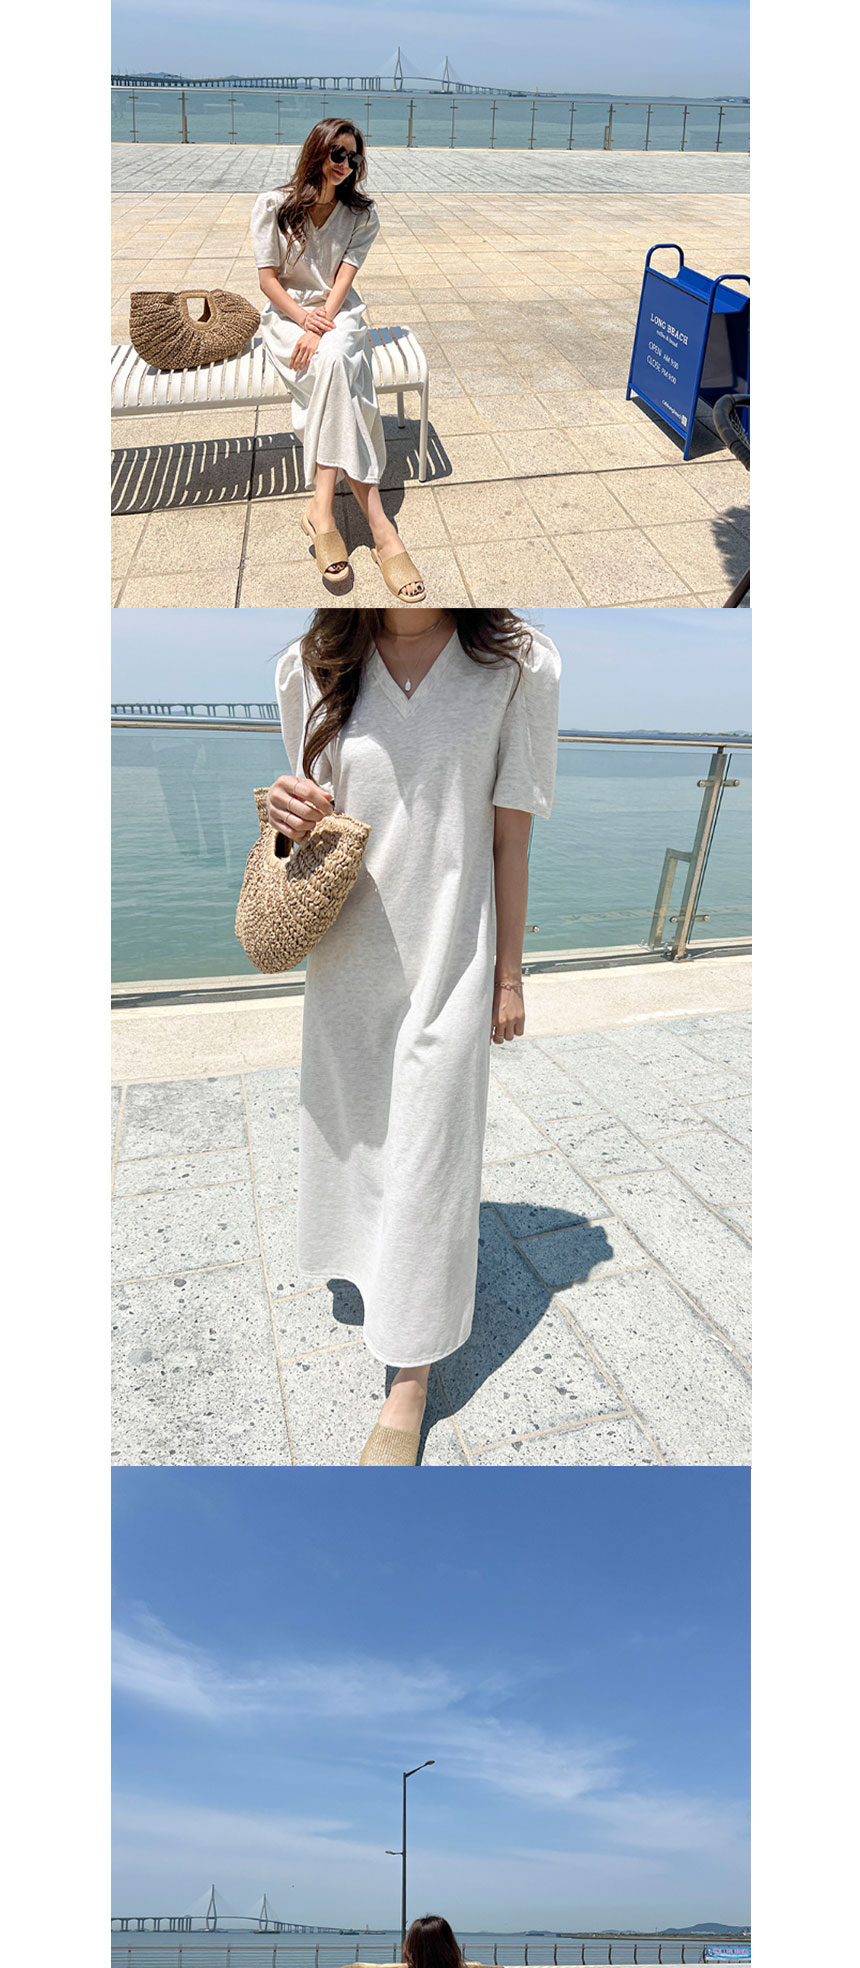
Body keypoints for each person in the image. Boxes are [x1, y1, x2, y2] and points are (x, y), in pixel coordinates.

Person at [265, 604, 560, 1463]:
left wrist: (509, 976)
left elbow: (511, 837)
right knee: (357, 1133)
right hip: (346, 955)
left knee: (433, 1154)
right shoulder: (311, 662)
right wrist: (283, 809)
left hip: (452, 956)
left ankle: (411, 1376)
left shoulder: (518, 663)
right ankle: (372, 1269)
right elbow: (311, 820)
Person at [251, 116, 423, 596]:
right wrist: (304, 321)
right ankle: (381, 529)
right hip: (287, 316)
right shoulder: (273, 206)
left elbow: (343, 280)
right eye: (338, 153)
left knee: (333, 359)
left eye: (354, 156)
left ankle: (321, 510)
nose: (346, 163)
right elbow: (267, 280)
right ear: (318, 151)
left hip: (338, 312)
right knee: (338, 371)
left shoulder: (362, 215)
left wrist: (323, 319)